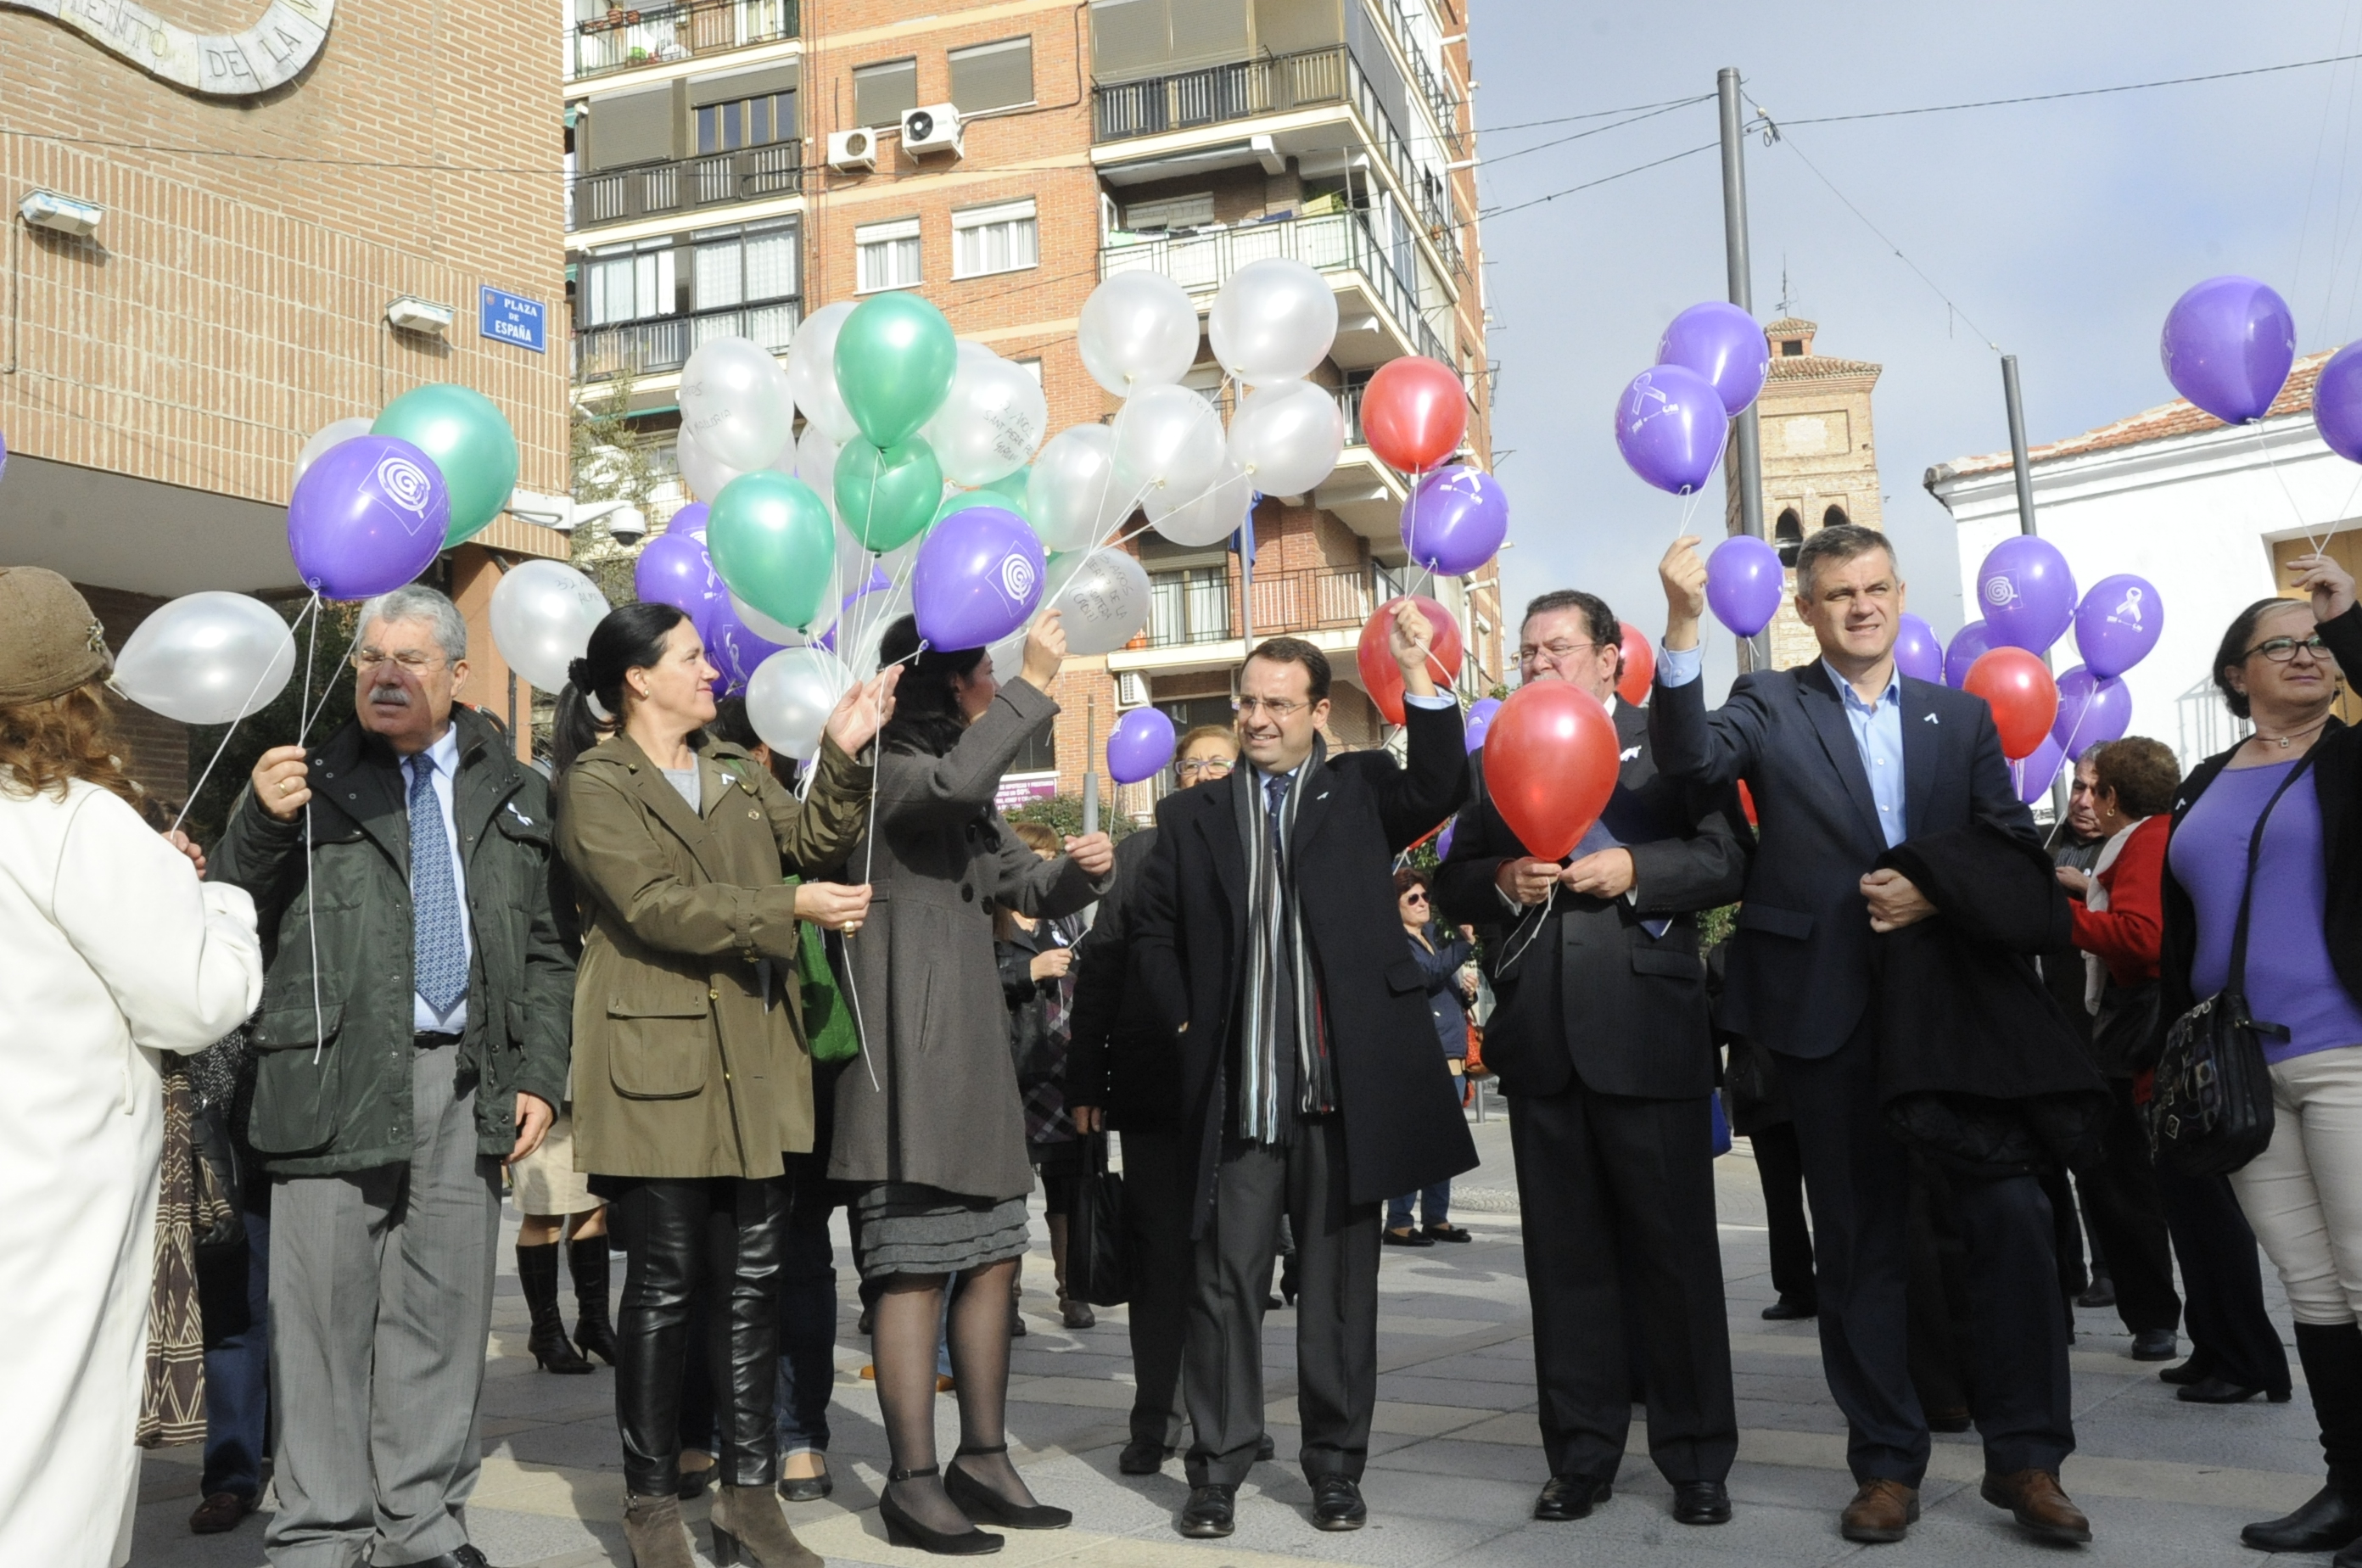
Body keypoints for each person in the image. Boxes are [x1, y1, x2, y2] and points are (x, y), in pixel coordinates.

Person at [1648, 525, 2093, 1546]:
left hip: (1954, 1016)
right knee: (1859, 1247)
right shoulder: (1770, 702)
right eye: (1840, 593)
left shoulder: (1959, 716)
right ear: (1807, 609)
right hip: (1826, 1014)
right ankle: (1886, 1465)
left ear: (1899, 594)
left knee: (2013, 1224)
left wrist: (1932, 891)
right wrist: (1682, 626)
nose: (1862, 606)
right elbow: (1688, 756)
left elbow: (2010, 853)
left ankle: (2029, 1462)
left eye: (1878, 588)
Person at [210, 585, 574, 1568]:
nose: (385, 674)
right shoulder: (302, 778)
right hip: (328, 1075)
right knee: (322, 1320)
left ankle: (419, 1524)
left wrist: (541, 1074)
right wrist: (259, 822)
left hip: (467, 1081)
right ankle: (321, 1533)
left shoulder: (518, 788)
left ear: (458, 674)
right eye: (371, 657)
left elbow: (549, 948)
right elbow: (225, 905)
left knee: (443, 1315)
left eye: (410, 659)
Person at [553, 601, 893, 1568]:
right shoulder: (596, 782)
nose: (713, 672)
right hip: (656, 1066)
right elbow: (653, 906)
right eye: (694, 657)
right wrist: (789, 907)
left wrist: (844, 751)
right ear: (638, 678)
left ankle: (750, 1502)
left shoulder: (738, 769)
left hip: (754, 1057)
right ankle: (652, 1507)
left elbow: (815, 844)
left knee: (752, 1284)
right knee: (664, 1286)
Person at [1133, 609, 1475, 1540]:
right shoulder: (1192, 814)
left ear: (1319, 712)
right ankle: (1218, 1468)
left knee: (1338, 1292)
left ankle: (1334, 1468)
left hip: (1339, 1092)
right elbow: (1153, 931)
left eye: (1278, 704)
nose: (1256, 719)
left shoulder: (1360, 788)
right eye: (1247, 702)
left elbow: (1443, 781)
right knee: (1222, 1287)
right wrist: (1183, 1016)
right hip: (1238, 1095)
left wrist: (1420, 676)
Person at [1437, 586, 1747, 1528]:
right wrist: (1500, 879)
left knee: (1675, 1261)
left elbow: (1729, 857)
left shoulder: (1671, 741)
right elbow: (1450, 878)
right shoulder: (1496, 753)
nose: (1539, 665)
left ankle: (1697, 1460)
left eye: (1559, 648)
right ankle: (1579, 1457)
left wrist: (1640, 869)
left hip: (1649, 1033)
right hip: (1542, 1040)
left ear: (1612, 657)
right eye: (1527, 652)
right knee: (1565, 1266)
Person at [824, 611, 1116, 1555]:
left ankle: (982, 1458)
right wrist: (1039, 681)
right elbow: (951, 785)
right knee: (911, 1265)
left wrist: (1082, 872)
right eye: (988, 670)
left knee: (993, 1256)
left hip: (973, 1052)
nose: (998, 681)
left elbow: (1026, 888)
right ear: (949, 681)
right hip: (907, 1056)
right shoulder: (883, 769)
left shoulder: (964, 786)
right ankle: (911, 1480)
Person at [0, 568, 266, 1568]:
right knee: (52, 1448)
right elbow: (195, 998)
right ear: (76, 697)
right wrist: (218, 907)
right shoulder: (72, 816)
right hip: (59, 1182)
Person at [2161, 558, 2362, 1562]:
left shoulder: (2351, 755)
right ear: (2236, 674)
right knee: (2311, 1286)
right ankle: (2349, 1486)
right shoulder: (2204, 781)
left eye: (2318, 641)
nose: (2307, 653)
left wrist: (2350, 616)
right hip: (2238, 1072)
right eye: (2280, 643)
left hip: (2346, 1051)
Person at [2059, 739, 2291, 1407]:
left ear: (2112, 797)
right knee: (2191, 1211)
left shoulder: (2146, 841)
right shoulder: (2161, 834)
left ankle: (2244, 1359)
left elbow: (2142, 937)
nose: (2087, 800)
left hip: (2168, 1051)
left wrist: (2066, 917)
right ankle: (2215, 1347)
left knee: (2205, 1212)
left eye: (2095, 788)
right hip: (2169, 1050)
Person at [1065, 722, 1240, 1476]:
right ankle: (1154, 1420)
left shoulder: (1261, 847)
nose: (1203, 774)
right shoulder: (1140, 856)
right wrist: (1086, 1079)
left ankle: (1229, 1416)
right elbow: (1101, 971)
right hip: (1152, 1087)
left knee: (1231, 1263)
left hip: (1240, 1090)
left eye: (1219, 763)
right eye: (1191, 764)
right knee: (1160, 1261)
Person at [998, 819, 1095, 1330]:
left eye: (1050, 858)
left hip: (1063, 1069)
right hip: (1010, 1071)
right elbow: (971, 983)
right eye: (1034, 857)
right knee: (1008, 1191)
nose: (1043, 867)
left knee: (1069, 1189)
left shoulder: (1065, 918)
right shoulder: (989, 916)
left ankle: (1072, 1290)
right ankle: (1005, 1298)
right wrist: (1027, 971)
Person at [1384, 867, 1474, 1248]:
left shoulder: (1432, 937)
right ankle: (1399, 1221)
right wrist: (1464, 945)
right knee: (1416, 1142)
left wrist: (1466, 994)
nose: (1423, 903)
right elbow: (1426, 975)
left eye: (1425, 896)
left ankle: (1436, 1217)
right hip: (1423, 1057)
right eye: (1413, 898)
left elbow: (1441, 981)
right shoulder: (1397, 944)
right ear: (1396, 906)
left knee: (1446, 1143)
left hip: (1451, 1054)